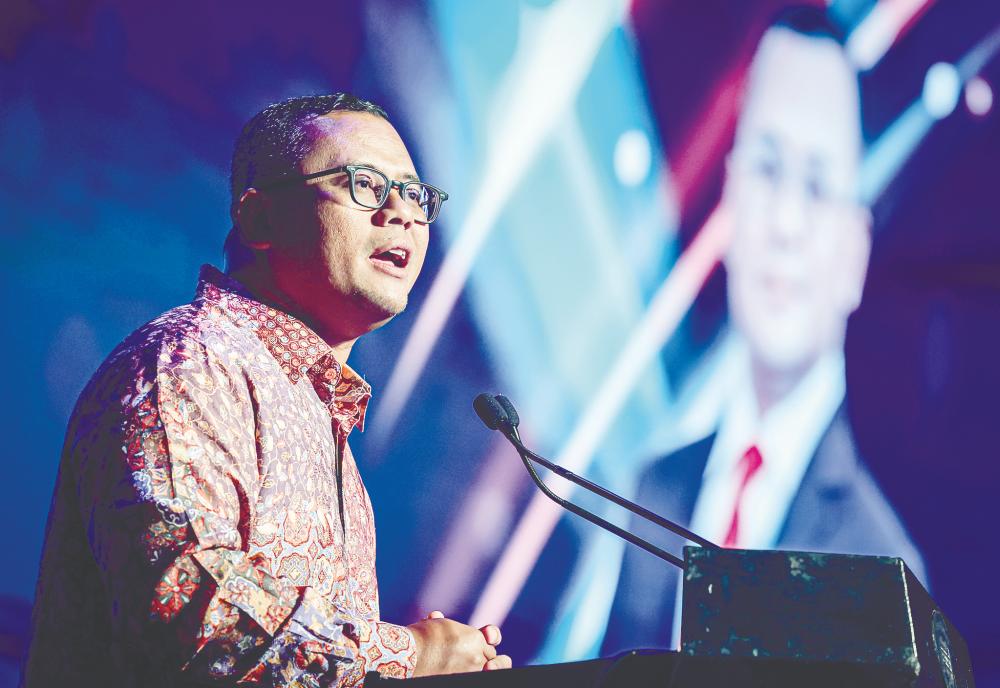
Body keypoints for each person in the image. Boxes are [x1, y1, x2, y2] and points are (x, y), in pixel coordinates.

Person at [22, 93, 510, 687]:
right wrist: (412, 655)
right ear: (260, 220)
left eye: (414, 193)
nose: (401, 213)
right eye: (364, 183)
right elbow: (193, 611)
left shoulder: (325, 424)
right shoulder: (190, 362)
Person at [601, 9, 926, 654]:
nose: (785, 222)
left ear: (855, 254)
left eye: (816, 184)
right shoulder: (656, 490)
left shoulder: (883, 572)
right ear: (734, 201)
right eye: (769, 169)